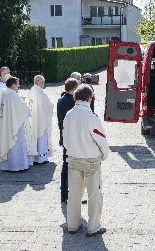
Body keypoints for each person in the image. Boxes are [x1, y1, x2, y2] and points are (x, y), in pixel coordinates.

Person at [63, 84, 109, 237]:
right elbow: (101, 139)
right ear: (89, 98)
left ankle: (73, 224)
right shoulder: (91, 117)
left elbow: (65, 139)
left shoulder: (69, 115)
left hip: (73, 158)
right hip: (91, 160)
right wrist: (104, 154)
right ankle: (93, 226)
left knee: (74, 193)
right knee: (94, 194)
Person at [0, 77, 36, 172]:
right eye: (17, 84)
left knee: (7, 143)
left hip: (6, 124)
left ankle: (7, 165)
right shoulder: (13, 95)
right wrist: (28, 106)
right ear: (13, 85)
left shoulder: (4, 94)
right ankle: (18, 165)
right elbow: (21, 108)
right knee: (17, 144)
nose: (18, 86)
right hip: (15, 125)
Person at [57, 78, 79, 203]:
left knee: (66, 166)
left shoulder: (61, 99)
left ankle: (64, 194)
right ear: (74, 88)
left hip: (64, 136)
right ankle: (69, 195)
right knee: (70, 167)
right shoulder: (73, 101)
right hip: (72, 138)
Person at [28, 75, 54, 164]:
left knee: (35, 136)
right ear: (39, 82)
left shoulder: (32, 90)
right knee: (42, 137)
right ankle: (41, 158)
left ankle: (36, 157)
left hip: (34, 118)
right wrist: (52, 106)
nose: (43, 84)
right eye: (43, 82)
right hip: (41, 118)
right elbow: (47, 105)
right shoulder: (40, 92)